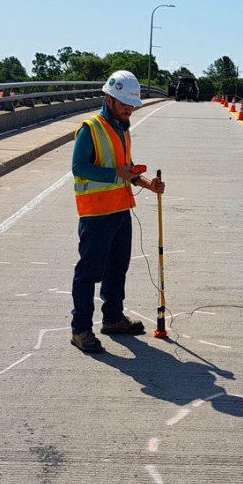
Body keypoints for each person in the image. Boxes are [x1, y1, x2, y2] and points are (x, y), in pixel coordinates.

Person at [70, 70, 165, 354]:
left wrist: (147, 183)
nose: (130, 109)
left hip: (121, 210)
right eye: (125, 104)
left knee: (117, 269)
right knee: (88, 272)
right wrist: (115, 174)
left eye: (132, 105)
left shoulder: (122, 129)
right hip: (96, 213)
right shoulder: (90, 128)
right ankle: (80, 329)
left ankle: (112, 318)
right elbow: (79, 168)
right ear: (109, 99)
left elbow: (127, 166)